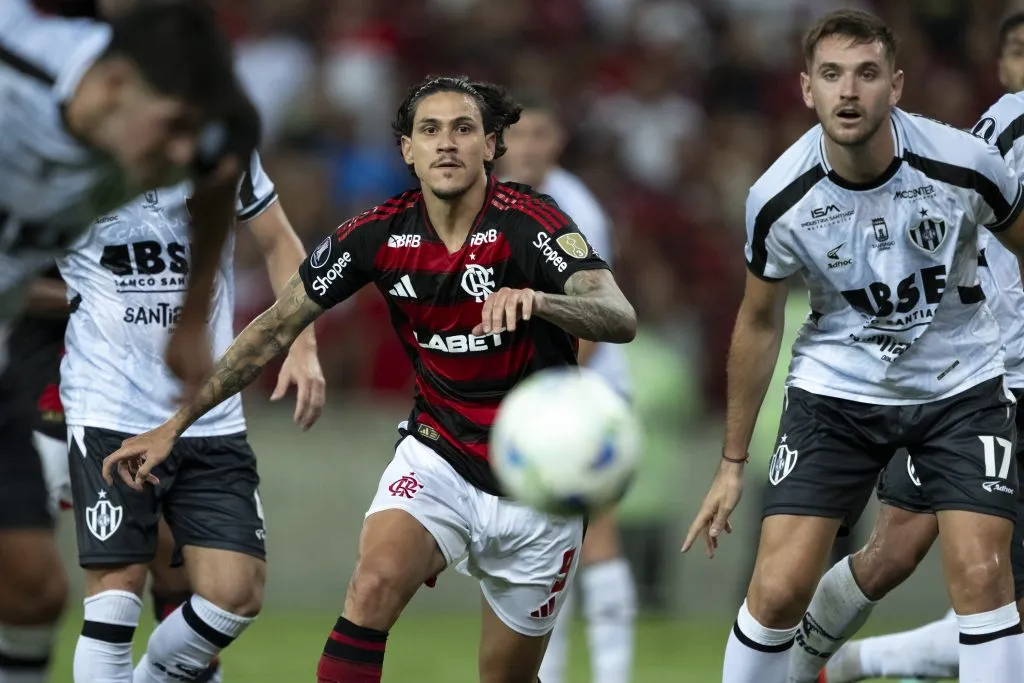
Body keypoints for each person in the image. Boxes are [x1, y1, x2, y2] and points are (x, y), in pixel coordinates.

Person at [102, 74, 637, 683]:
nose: (446, 144)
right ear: (407, 149)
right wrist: (176, 424)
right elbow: (275, 328)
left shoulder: (531, 221)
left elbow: (618, 315)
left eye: (463, 130)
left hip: (537, 480)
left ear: (491, 145)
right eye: (428, 131)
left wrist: (543, 302)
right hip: (439, 458)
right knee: (373, 584)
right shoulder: (378, 233)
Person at [681, 9, 1024, 683]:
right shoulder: (778, 198)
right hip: (837, 390)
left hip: (963, 385)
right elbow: (757, 321)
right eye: (831, 75)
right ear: (806, 88)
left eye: (866, 74)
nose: (848, 91)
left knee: (984, 572)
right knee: (779, 587)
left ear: (895, 85)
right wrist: (730, 461)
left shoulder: (965, 164)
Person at [0, 2, 258, 681]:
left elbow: (222, 157)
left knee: (34, 588)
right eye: (172, 127)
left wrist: (193, 311)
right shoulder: (15, 67)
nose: (179, 154)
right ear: (115, 84)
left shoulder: (168, 137)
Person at [790, 11, 1024, 683]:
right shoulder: (1006, 126)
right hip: (992, 374)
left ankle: (866, 661)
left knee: (1002, 594)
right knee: (894, 549)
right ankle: (810, 662)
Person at [53, 150, 324, 683]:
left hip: (208, 412)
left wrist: (302, 340)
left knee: (236, 594)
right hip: (110, 406)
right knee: (116, 595)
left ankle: (153, 677)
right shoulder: (69, 156)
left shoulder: (223, 147)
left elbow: (277, 240)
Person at [500, 95, 637, 683]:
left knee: (592, 534)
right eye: (519, 135)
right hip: (530, 397)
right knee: (536, 546)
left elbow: (598, 322)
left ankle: (610, 674)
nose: (529, 146)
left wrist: (551, 407)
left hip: (580, 397)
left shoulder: (572, 206)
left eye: (542, 134)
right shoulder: (496, 200)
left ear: (558, 141)